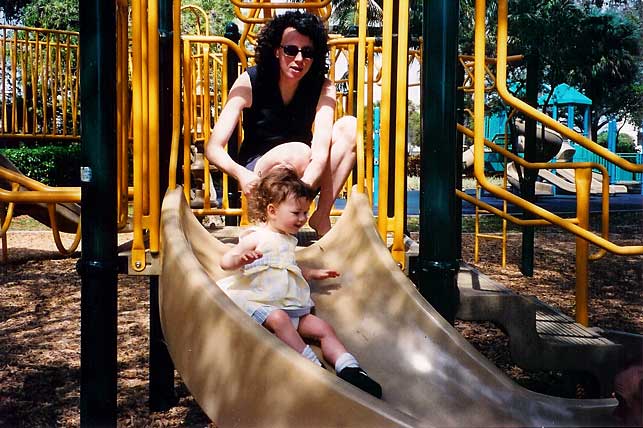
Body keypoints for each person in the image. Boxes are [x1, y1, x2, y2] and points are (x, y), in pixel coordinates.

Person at [217, 167, 382, 399]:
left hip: (291, 304)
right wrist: (239, 259)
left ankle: (349, 368)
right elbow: (225, 261)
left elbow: (287, 269)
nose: (303, 219)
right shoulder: (256, 237)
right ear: (272, 211)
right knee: (279, 319)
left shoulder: (288, 241)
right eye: (297, 213)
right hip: (262, 303)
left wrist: (312, 273)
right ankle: (312, 366)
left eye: (305, 212)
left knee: (323, 329)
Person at [205, 11, 356, 237]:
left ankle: (321, 215)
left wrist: (304, 190)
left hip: (303, 173)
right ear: (277, 50)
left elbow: (322, 148)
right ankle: (272, 220)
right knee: (299, 152)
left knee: (349, 127)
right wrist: (242, 175)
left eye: (307, 52)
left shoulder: (323, 87)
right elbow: (213, 147)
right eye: (290, 50)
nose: (298, 59)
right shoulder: (251, 81)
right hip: (259, 172)